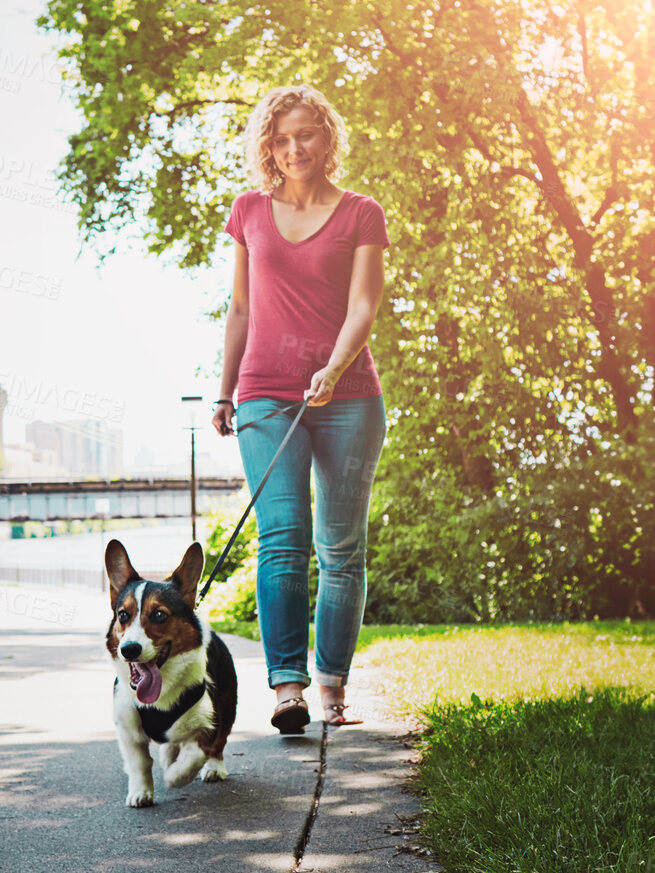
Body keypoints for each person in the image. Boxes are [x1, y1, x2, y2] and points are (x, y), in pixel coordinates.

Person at [210, 84, 389, 733]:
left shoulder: (361, 213)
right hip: (263, 392)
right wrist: (224, 390)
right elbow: (240, 308)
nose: (293, 149)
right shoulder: (248, 212)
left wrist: (333, 369)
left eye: (304, 135)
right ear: (268, 145)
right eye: (280, 138)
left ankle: (332, 688)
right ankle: (286, 688)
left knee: (339, 549)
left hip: (349, 398)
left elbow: (362, 306)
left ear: (325, 136)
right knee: (281, 536)